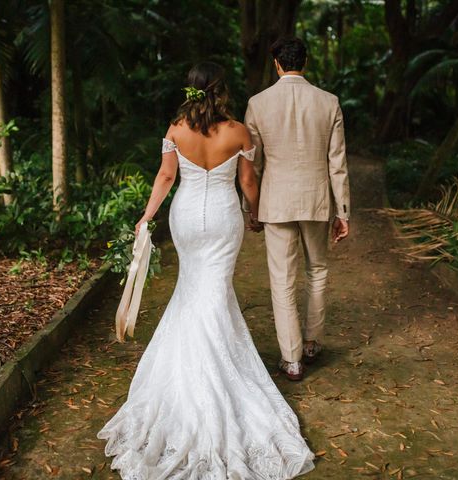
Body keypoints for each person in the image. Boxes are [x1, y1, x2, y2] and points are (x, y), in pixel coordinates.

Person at [97, 61, 315, 479]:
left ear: (192, 90)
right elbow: (248, 183)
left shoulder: (177, 128)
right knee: (213, 293)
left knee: (192, 289)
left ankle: (189, 374)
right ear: (222, 91)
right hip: (222, 217)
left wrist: (148, 215)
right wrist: (255, 215)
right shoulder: (237, 131)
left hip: (185, 218)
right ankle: (216, 375)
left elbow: (165, 176)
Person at [243, 37, 351, 382]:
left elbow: (253, 164)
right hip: (317, 199)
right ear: (305, 62)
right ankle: (312, 342)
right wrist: (343, 211)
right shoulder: (329, 102)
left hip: (275, 203)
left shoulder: (258, 104)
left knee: (282, 279)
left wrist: (252, 208)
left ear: (277, 64)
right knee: (317, 270)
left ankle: (291, 359)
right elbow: (338, 162)